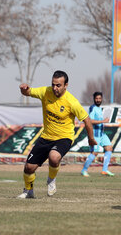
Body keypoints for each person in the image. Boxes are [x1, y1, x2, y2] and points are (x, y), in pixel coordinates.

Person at [17, 70, 97, 199]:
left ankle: (51, 180)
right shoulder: (45, 92)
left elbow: (86, 119)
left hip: (64, 138)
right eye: (53, 84)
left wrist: (91, 138)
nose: (55, 88)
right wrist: (23, 89)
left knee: (54, 157)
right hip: (46, 137)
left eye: (58, 85)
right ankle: (28, 191)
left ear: (66, 85)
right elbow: (28, 92)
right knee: (28, 168)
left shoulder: (72, 102)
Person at [81, 92, 114, 177]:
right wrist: (103, 121)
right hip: (95, 134)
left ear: (101, 99)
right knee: (94, 153)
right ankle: (84, 170)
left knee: (109, 148)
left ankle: (105, 170)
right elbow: (90, 121)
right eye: (96, 98)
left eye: (99, 98)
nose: (98, 100)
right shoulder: (93, 108)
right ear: (94, 99)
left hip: (101, 134)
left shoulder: (100, 108)